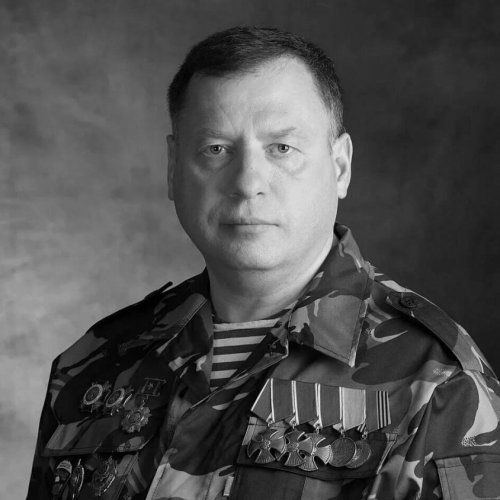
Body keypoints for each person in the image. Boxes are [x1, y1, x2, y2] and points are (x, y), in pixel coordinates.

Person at [27, 26, 500, 500]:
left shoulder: (438, 384)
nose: (247, 182)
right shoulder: (96, 362)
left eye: (282, 148)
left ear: (340, 166)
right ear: (173, 168)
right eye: (216, 149)